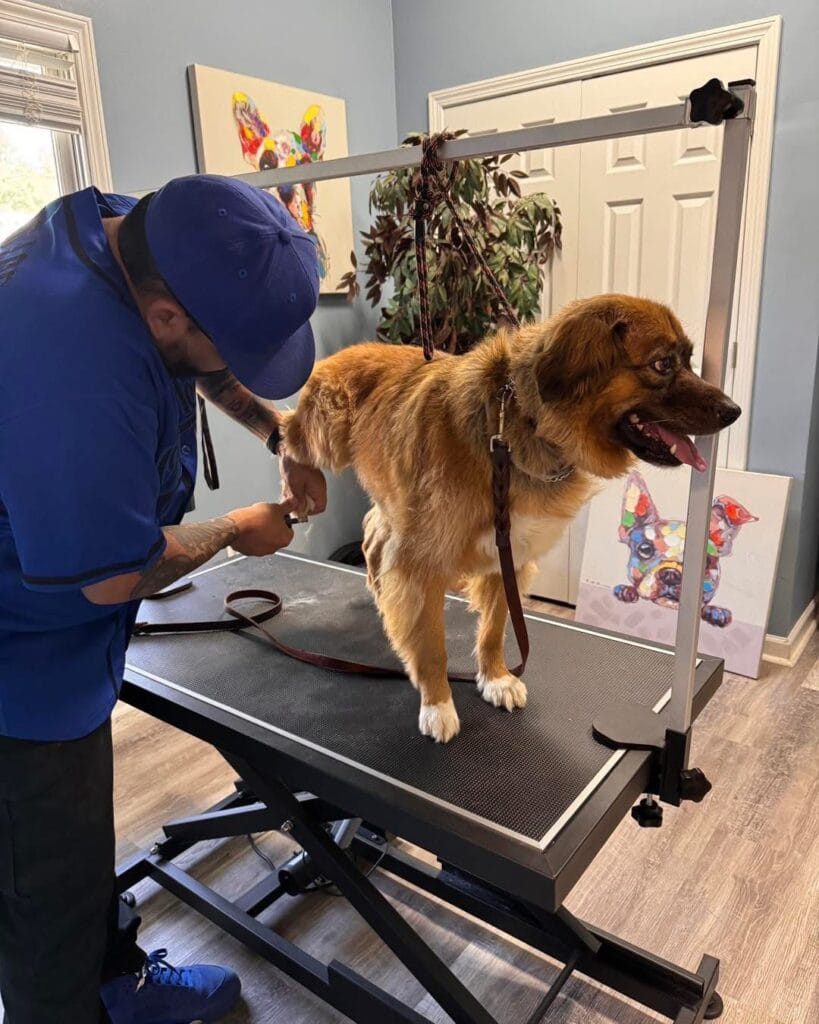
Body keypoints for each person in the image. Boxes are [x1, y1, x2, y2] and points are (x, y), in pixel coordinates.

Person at [0, 174, 327, 1023]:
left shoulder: (146, 232)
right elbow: (110, 575)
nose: (236, 371)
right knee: (39, 897)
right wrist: (236, 529)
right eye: (232, 347)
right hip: (16, 667)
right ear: (166, 320)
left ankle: (117, 982)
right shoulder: (65, 353)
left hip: (61, 638)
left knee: (74, 857)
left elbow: (201, 366)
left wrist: (277, 431)